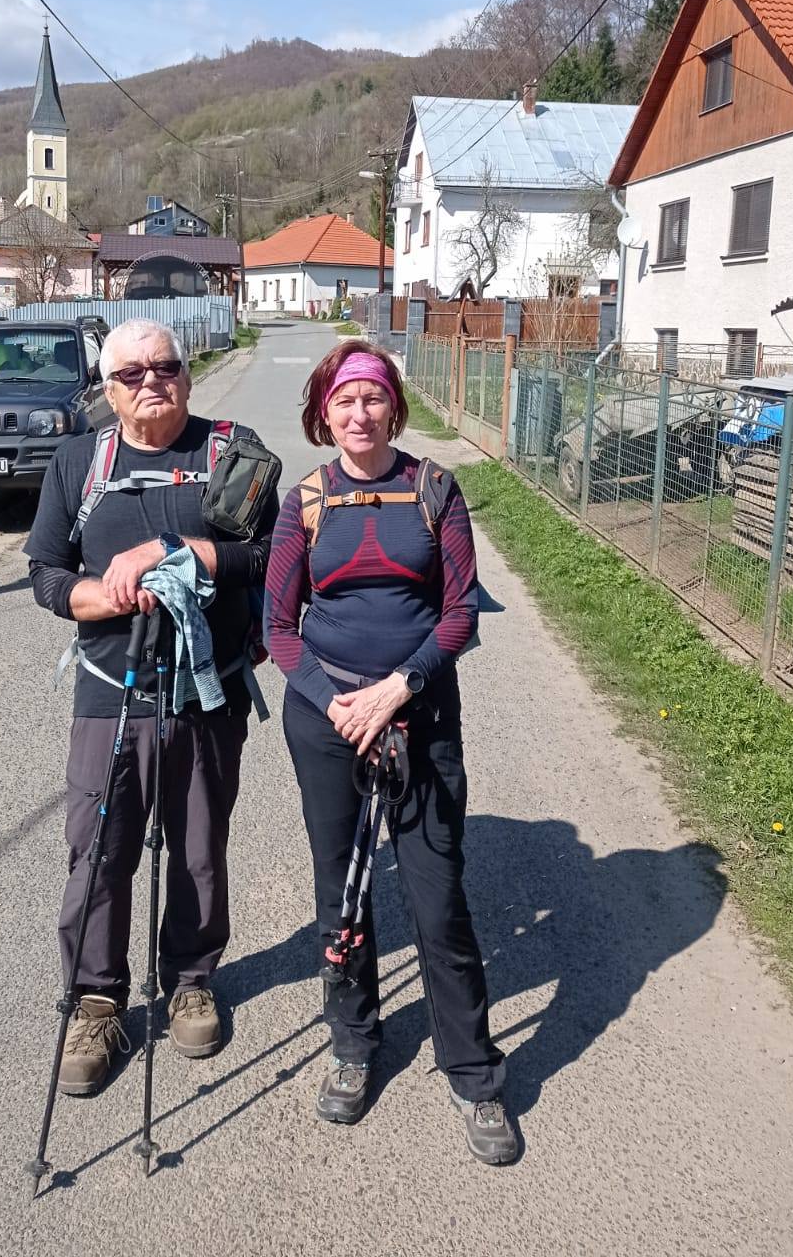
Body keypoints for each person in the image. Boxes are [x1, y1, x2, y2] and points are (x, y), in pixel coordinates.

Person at [264, 339, 518, 1166]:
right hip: (329, 719)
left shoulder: (435, 491)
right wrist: (337, 702)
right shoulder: (304, 501)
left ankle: (474, 1074)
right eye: (344, 401)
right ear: (324, 413)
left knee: (437, 898)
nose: (360, 413)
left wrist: (397, 690)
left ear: (394, 406)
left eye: (373, 398)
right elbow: (277, 628)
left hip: (419, 714)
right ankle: (353, 1043)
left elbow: (461, 614)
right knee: (342, 892)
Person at [25, 317, 276, 1096]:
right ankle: (96, 1001)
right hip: (111, 691)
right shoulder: (79, 462)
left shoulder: (231, 450)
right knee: (98, 849)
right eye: (131, 374)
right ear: (109, 389)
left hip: (208, 691)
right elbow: (45, 572)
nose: (150, 382)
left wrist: (182, 554)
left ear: (188, 375)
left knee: (199, 845)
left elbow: (269, 557)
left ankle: (191, 980)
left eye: (164, 367)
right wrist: (103, 596)